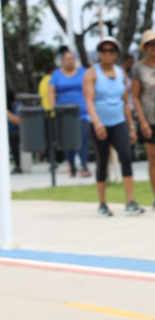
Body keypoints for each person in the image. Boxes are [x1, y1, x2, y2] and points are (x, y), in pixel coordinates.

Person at [83, 36, 143, 216]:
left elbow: (125, 102)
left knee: (126, 156)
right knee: (102, 161)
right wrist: (97, 122)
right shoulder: (92, 73)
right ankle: (102, 203)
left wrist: (131, 126)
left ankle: (130, 201)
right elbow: (89, 100)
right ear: (99, 54)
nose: (107, 54)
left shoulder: (121, 73)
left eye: (111, 50)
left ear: (116, 53)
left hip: (119, 122)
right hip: (99, 123)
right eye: (103, 51)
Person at [48, 49, 91, 177]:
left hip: (81, 112)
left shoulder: (83, 72)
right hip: (64, 113)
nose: (70, 61)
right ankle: (71, 166)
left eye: (72, 58)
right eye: (67, 58)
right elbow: (51, 91)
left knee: (82, 139)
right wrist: (53, 106)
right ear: (62, 61)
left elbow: (89, 88)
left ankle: (84, 165)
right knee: (68, 142)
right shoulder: (56, 74)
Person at [131, 29, 155, 207]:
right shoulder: (138, 67)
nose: (153, 47)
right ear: (145, 47)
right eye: (150, 44)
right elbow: (135, 97)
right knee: (153, 159)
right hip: (149, 119)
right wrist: (142, 121)